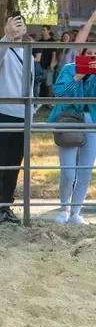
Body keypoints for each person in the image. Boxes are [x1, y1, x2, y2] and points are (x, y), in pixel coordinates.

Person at [0, 15, 35, 225]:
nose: (17, 28)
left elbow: (30, 86)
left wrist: (31, 112)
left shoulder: (28, 54)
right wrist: (7, 35)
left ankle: (6, 205)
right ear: (6, 26)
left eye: (21, 24)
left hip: (21, 116)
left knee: (13, 164)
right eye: (14, 24)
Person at [50, 44, 96, 226]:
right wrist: (77, 78)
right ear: (82, 56)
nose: (93, 57)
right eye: (89, 54)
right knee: (68, 173)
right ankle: (64, 209)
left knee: (85, 172)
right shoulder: (69, 70)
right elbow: (59, 93)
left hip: (92, 121)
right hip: (69, 120)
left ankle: (76, 211)